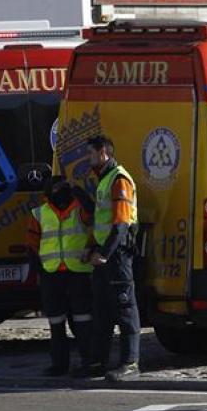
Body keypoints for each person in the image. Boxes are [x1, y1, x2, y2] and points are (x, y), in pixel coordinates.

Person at [27, 176, 96, 377]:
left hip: (78, 272)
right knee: (56, 322)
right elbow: (32, 243)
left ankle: (87, 361)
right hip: (52, 273)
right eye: (55, 189)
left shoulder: (79, 208)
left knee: (83, 320)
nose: (59, 192)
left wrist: (81, 194)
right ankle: (59, 364)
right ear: (47, 194)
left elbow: (92, 215)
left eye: (62, 188)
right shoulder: (39, 213)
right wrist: (38, 270)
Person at [87, 135, 141, 382]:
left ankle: (130, 363)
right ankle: (98, 362)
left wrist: (104, 254)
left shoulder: (119, 179)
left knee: (125, 308)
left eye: (90, 153)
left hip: (116, 256)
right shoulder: (104, 180)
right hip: (104, 255)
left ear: (102, 153)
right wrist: (92, 249)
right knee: (101, 311)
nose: (88, 159)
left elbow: (120, 223)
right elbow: (101, 221)